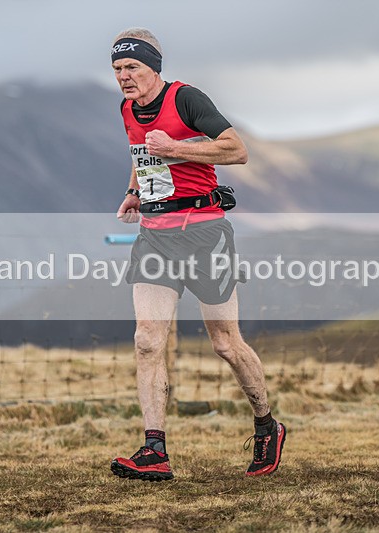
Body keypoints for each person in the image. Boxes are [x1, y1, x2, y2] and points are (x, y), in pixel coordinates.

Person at [109, 27, 285, 481]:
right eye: (117, 69)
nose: (124, 77)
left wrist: (177, 150)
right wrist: (134, 191)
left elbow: (237, 150)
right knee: (147, 340)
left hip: (206, 233)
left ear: (154, 68)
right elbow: (141, 150)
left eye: (132, 67)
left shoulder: (187, 100)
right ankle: (154, 450)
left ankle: (267, 426)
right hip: (155, 236)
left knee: (225, 343)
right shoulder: (128, 108)